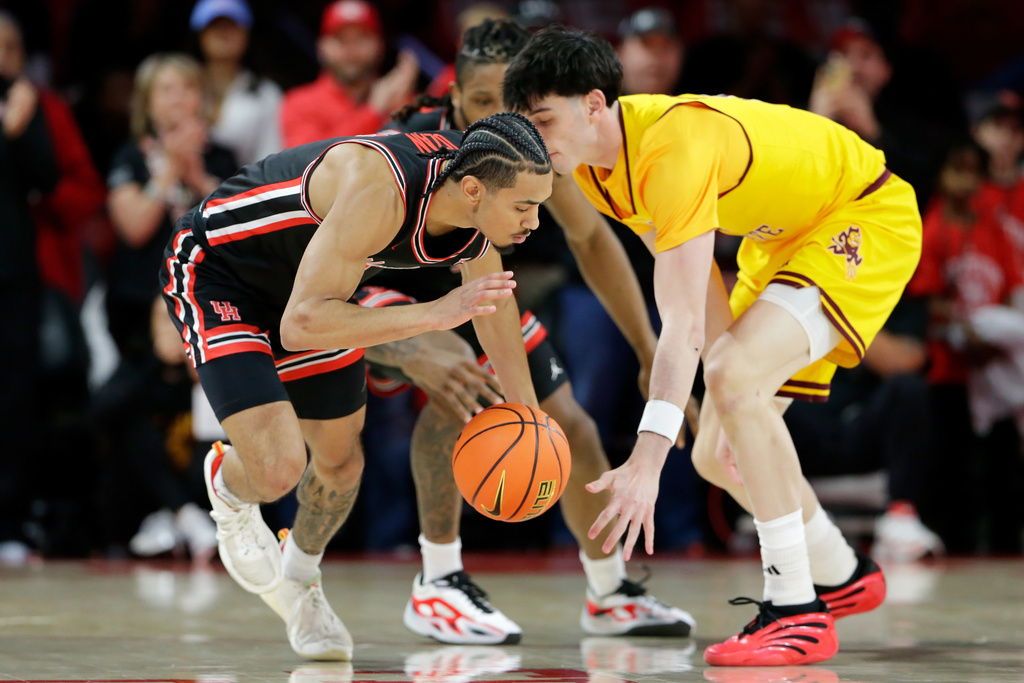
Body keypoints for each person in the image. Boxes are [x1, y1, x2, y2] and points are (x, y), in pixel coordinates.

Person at [504, 26, 922, 666]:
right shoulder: (594, 170)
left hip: (862, 215)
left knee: (730, 379)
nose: (535, 136)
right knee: (715, 455)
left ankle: (796, 608)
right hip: (781, 242)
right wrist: (728, 394)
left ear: (593, 104)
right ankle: (841, 571)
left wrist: (646, 457)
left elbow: (683, 328)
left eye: (542, 118)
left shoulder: (670, 146)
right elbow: (693, 292)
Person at [160, 112, 554, 661]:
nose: (533, 222)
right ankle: (228, 489)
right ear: (472, 190)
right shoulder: (382, 189)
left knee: (342, 467)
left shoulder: (472, 210)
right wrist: (434, 315)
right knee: (278, 470)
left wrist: (530, 416)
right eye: (523, 206)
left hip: (316, 293)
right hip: (222, 275)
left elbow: (493, 306)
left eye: (539, 205)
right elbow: (301, 326)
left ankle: (298, 580)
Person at [364, 18, 694, 644]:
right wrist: (401, 338)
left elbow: (592, 238)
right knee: (460, 380)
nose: (496, 113)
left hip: (475, 291)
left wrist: (650, 349)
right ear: (455, 95)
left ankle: (608, 592)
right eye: (482, 101)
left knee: (568, 425)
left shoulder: (526, 149)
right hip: (374, 296)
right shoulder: (407, 147)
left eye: (509, 103)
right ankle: (438, 580)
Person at [103, 53, 236, 559]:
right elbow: (133, 227)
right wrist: (165, 176)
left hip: (206, 309)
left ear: (203, 98)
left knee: (211, 409)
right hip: (139, 315)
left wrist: (196, 174)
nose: (178, 99)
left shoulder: (223, 158)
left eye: (187, 88)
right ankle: (178, 511)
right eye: (165, 90)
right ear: (146, 105)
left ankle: (201, 514)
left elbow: (234, 233)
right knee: (120, 406)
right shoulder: (129, 158)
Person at [0, 10, 59, 565]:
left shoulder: (25, 100)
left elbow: (49, 177)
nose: (4, 56)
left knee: (16, 396)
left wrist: (22, 130)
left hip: (14, 272)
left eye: (12, 45)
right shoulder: (12, 114)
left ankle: (12, 520)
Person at [279, 0, 419, 147]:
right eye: (341, 40)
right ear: (322, 47)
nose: (351, 49)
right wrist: (374, 110)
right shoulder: (298, 103)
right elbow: (310, 161)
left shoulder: (405, 102)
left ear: (379, 45)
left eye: (361, 38)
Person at [189, 0, 283, 167]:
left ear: (246, 34)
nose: (223, 33)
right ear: (200, 34)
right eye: (214, 26)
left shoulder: (266, 93)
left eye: (231, 26)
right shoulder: (179, 86)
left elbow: (271, 160)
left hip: (246, 189)